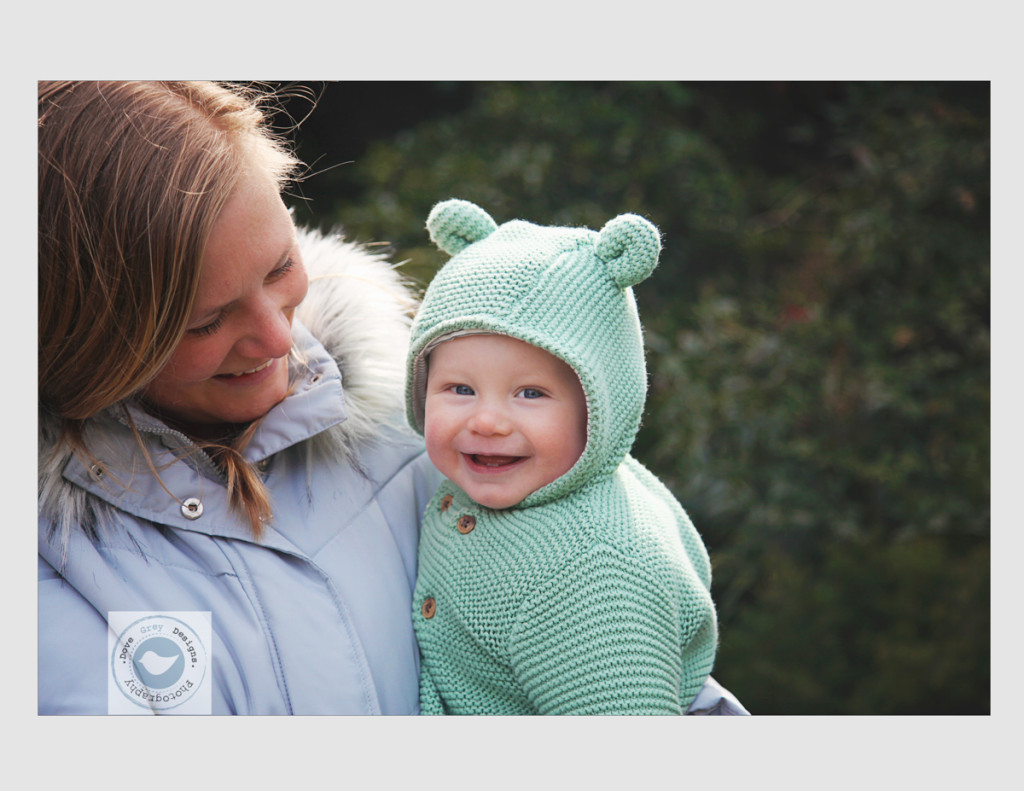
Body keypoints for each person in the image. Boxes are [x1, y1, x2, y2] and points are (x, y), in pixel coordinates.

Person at [37, 81, 441, 714]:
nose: (280, 337)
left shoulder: (419, 419)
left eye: (281, 267)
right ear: (89, 341)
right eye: (205, 322)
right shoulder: (48, 566)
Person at [405, 198, 748, 714]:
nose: (487, 421)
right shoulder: (534, 483)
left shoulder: (593, 577)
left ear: (599, 407)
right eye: (459, 388)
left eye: (531, 394)